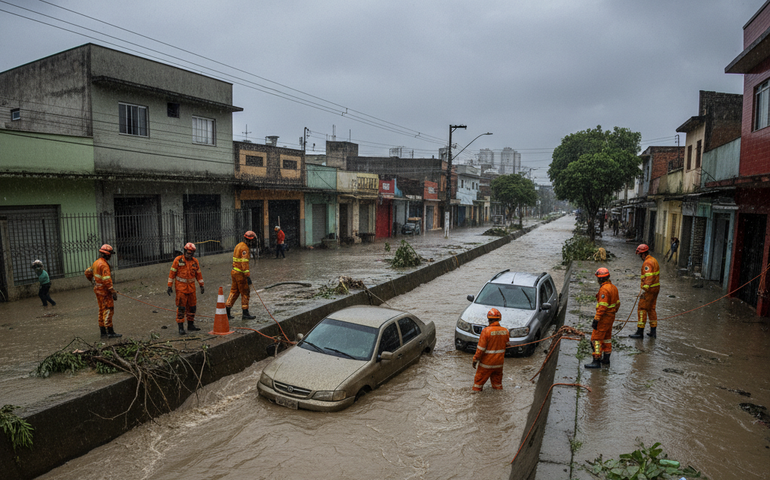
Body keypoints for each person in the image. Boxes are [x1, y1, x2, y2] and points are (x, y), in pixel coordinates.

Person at [585, 268, 620, 369]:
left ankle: (596, 360)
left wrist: (596, 319)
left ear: (600, 279)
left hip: (604, 318)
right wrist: (612, 313)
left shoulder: (604, 289)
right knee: (607, 338)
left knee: (596, 339)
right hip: (611, 317)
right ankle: (606, 359)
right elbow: (617, 304)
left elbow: (602, 307)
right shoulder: (613, 287)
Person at [84, 244, 121, 338]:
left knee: (101, 310)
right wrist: (112, 291)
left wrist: (92, 281)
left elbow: (87, 272)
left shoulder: (96, 263)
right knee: (108, 309)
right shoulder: (104, 265)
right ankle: (110, 332)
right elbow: (107, 280)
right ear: (107, 254)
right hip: (105, 292)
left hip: (98, 290)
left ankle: (103, 332)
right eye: (110, 254)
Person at [167, 243, 204, 335]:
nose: (189, 255)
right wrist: (169, 286)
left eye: (191, 253)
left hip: (191, 289)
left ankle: (191, 325)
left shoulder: (195, 262)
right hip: (181, 289)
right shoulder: (178, 260)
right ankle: (181, 327)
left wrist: (201, 285)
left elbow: (198, 274)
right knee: (181, 308)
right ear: (184, 252)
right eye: (188, 253)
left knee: (192, 307)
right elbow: (172, 273)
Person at [471, 308, 510, 392]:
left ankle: (476, 402)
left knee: (477, 386)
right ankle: (498, 402)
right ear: (499, 319)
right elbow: (507, 345)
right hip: (499, 364)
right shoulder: (505, 331)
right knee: (497, 385)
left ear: (488, 319)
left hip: (486, 364)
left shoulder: (486, 331)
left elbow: (480, 349)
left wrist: (475, 360)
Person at [629, 244, 660, 339]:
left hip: (649, 290)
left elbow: (649, 276)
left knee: (642, 308)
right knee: (651, 309)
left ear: (643, 254)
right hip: (656, 288)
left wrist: (645, 289)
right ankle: (653, 331)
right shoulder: (654, 260)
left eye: (639, 255)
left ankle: (640, 332)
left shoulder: (647, 263)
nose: (640, 257)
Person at [226, 231, 257, 320]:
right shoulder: (245, 248)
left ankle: (227, 310)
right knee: (245, 293)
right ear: (250, 240)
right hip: (241, 274)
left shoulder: (238, 245)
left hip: (234, 272)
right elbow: (244, 263)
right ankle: (245, 313)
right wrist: (247, 276)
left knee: (234, 292)